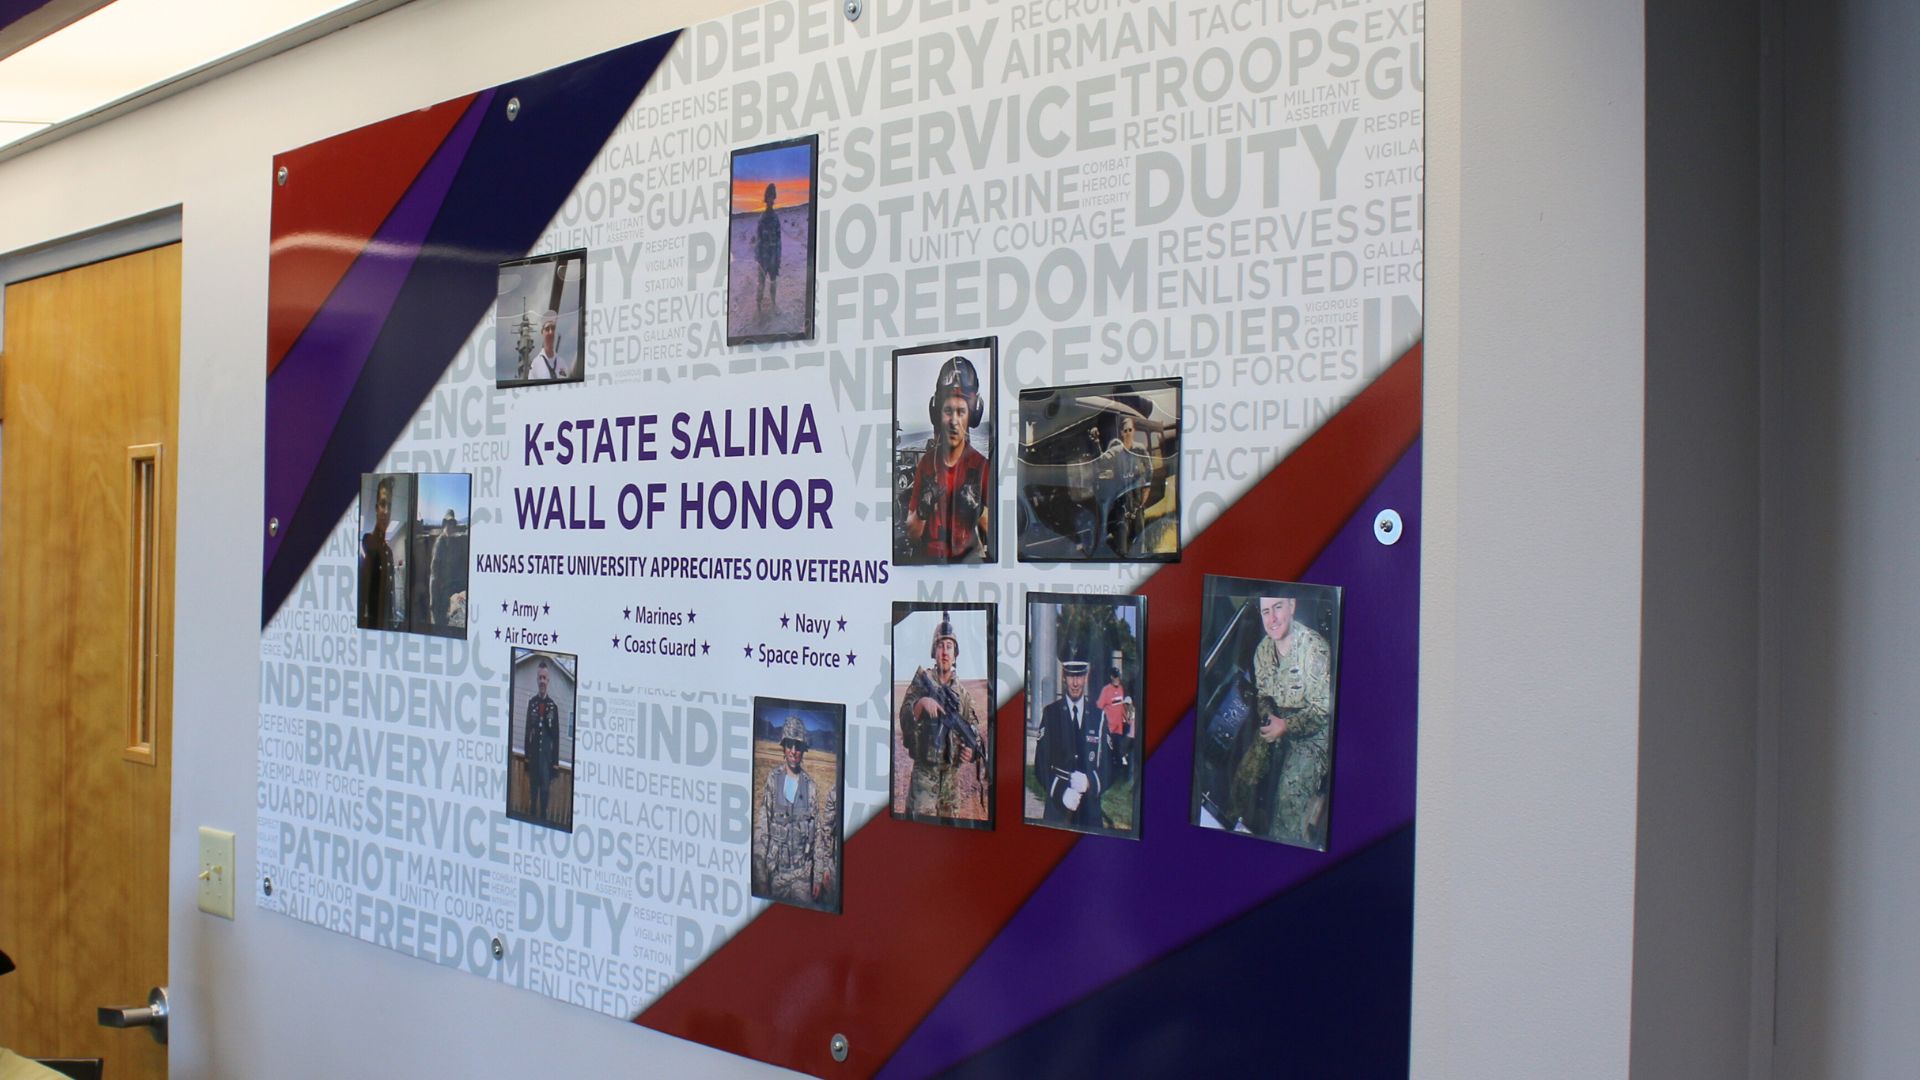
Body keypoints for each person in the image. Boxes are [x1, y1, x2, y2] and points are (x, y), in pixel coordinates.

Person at [1229, 594, 1335, 847]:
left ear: (1292, 606)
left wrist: (1285, 726)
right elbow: (1264, 695)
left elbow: (1322, 710)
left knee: (1289, 799)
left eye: (1278, 607)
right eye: (1266, 612)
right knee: (1243, 775)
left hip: (1313, 735)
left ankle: (1281, 846)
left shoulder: (1315, 648)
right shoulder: (1263, 650)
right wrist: (1269, 717)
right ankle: (1232, 826)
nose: (1273, 618)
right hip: (1277, 722)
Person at [898, 611, 988, 822]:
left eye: (949, 647)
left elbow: (974, 733)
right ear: (934, 651)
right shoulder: (922, 681)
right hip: (924, 776)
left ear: (955, 654)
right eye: (940, 646)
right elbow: (904, 718)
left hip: (951, 779)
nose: (945, 652)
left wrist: (971, 753)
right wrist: (921, 704)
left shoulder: (963, 696)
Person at [904, 355, 992, 561]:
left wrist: (977, 511)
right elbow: (911, 533)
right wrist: (922, 512)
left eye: (961, 412)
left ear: (972, 414)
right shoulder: (926, 464)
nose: (954, 421)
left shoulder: (982, 466)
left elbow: (999, 535)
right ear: (938, 414)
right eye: (948, 411)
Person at [752, 716, 838, 908]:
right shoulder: (773, 780)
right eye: (789, 745)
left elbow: (817, 836)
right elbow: (762, 831)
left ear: (803, 750)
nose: (793, 751)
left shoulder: (811, 788)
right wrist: (761, 876)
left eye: (798, 746)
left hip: (802, 875)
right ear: (784, 747)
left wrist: (816, 878)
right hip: (776, 874)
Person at [1034, 648, 1111, 830]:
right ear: (1063, 676)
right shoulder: (1051, 714)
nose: (1075, 683)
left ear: (1086, 676)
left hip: (1089, 811)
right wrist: (1061, 792)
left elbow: (1109, 767)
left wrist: (1090, 782)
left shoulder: (1099, 717)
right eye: (1070, 676)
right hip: (1057, 809)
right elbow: (1040, 765)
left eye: (1079, 676)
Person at [522, 658, 561, 823]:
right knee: (533, 796)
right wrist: (526, 756)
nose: (542, 681)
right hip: (534, 760)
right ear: (537, 679)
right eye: (540, 678)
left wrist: (555, 763)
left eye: (545, 678)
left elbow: (556, 736)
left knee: (544, 798)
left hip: (546, 761)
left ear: (548, 680)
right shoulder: (532, 704)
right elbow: (527, 730)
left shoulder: (553, 707)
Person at [358, 476, 398, 630]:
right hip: (372, 628)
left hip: (387, 627)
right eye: (382, 504)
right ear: (376, 508)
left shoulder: (388, 552)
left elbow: (390, 593)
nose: (386, 511)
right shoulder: (369, 542)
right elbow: (363, 593)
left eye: (389, 505)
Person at [429, 508, 467, 629]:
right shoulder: (440, 543)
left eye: (452, 523)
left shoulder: (454, 541)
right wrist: (433, 599)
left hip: (449, 590)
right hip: (439, 592)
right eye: (447, 523)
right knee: (438, 623)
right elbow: (434, 574)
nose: (450, 526)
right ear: (444, 524)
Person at [1097, 665, 1135, 773]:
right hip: (1109, 728)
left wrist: (1127, 719)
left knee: (1119, 752)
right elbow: (1099, 706)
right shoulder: (1106, 690)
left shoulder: (1122, 689)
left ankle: (1118, 774)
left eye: (1118, 677)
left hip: (1119, 728)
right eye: (1115, 677)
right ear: (1111, 677)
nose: (1117, 679)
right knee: (1109, 753)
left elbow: (1124, 706)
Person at [754, 181, 782, 311]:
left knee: (773, 281)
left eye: (773, 196)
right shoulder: (762, 218)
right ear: (766, 199)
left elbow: (779, 238)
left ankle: (773, 303)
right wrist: (758, 258)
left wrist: (778, 257)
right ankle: (758, 306)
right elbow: (758, 240)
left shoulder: (776, 218)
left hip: (773, 255)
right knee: (761, 283)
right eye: (769, 196)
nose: (771, 199)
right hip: (763, 256)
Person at [528, 309, 568, 381]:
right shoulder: (535, 365)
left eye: (553, 328)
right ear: (542, 332)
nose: (550, 332)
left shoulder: (562, 363)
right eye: (547, 329)